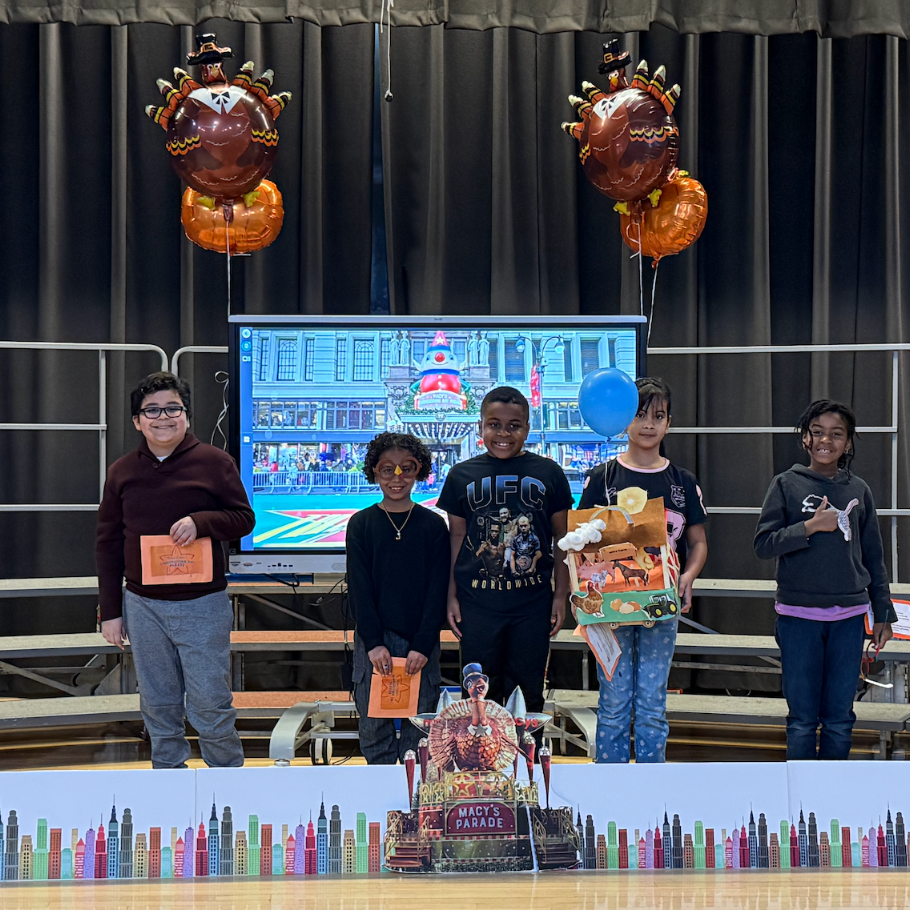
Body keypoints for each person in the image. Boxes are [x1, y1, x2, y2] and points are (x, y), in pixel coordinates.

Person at [96, 371, 255, 769]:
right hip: (143, 605)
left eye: (172, 409)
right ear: (137, 421)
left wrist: (201, 522)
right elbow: (108, 543)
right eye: (152, 411)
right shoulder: (121, 472)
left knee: (210, 705)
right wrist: (111, 611)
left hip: (202, 603)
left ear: (185, 416)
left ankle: (228, 782)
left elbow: (243, 519)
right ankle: (169, 786)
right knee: (158, 704)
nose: (162, 417)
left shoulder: (215, 462)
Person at [754, 399, 895, 760]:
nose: (825, 441)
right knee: (802, 719)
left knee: (839, 718)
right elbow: (763, 544)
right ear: (805, 439)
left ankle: (831, 799)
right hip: (798, 618)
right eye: (817, 433)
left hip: (848, 620)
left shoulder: (859, 490)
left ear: (848, 443)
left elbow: (874, 557)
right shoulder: (786, 484)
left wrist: (883, 613)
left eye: (836, 434)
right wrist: (810, 527)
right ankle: (800, 802)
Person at [578, 377, 708, 763]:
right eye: (639, 414)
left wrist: (687, 577)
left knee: (652, 704)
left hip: (661, 608)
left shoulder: (682, 482)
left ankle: (652, 792)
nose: (649, 424)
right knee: (614, 700)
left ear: (669, 423)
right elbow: (582, 546)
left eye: (659, 415)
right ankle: (611, 790)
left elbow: (698, 543)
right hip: (610, 611)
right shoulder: (602, 478)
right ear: (623, 419)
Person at [437, 386, 573, 719]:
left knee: (527, 692)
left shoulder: (549, 473)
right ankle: (481, 765)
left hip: (531, 603)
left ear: (527, 427)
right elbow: (457, 537)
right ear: (480, 426)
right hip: (477, 603)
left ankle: (526, 767)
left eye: (515, 425)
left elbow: (563, 538)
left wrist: (560, 596)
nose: (503, 433)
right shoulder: (460, 476)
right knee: (478, 692)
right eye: (494, 424)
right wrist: (450, 595)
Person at [346, 431, 449, 764]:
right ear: (374, 472)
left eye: (407, 468)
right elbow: (360, 589)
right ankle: (381, 799)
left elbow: (437, 591)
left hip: (420, 645)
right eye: (387, 469)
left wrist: (422, 643)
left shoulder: (433, 526)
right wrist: (374, 642)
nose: (397, 477)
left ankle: (416, 805)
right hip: (374, 646)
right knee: (374, 730)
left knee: (421, 734)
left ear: (419, 470)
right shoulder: (361, 524)